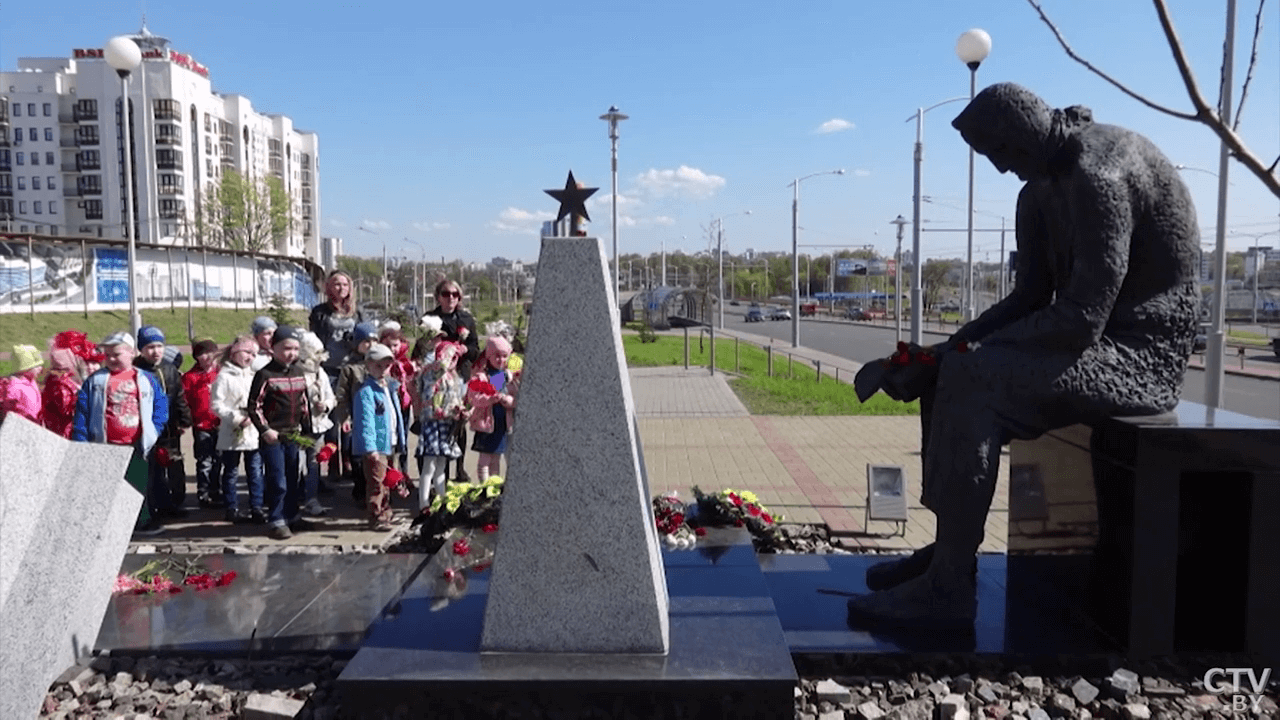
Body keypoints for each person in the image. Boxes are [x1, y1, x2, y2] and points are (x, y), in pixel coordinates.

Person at [845, 83, 1201, 628]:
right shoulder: (1036, 188)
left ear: (1024, 131)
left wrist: (960, 356)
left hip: (1140, 357)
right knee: (951, 371)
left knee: (973, 377)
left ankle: (947, 594)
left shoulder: (1100, 173)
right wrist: (940, 353)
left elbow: (1083, 317)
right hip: (1093, 342)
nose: (999, 168)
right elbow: (1030, 296)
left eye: (1000, 153)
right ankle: (949, 558)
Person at [71, 331, 169, 536]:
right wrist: (81, 438)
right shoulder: (96, 381)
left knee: (137, 485)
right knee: (107, 485)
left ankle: (140, 520)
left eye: (117, 354)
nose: (112, 359)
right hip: (106, 444)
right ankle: (108, 524)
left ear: (132, 353)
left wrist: (155, 429)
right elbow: (83, 410)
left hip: (137, 444)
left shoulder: (146, 379)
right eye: (107, 355)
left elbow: (160, 405)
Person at [248, 326, 316, 540]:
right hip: (274, 436)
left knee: (293, 476)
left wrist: (308, 432)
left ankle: (292, 515)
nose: (291, 353)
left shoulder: (298, 373)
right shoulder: (265, 375)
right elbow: (254, 407)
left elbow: (305, 405)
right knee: (278, 480)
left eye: (296, 349)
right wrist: (265, 430)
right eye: (286, 348)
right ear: (273, 349)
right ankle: (276, 519)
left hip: (293, 435)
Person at [423, 279, 479, 482]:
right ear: (438, 296)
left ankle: (460, 467)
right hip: (437, 379)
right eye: (446, 294)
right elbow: (421, 348)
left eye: (455, 295)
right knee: (439, 421)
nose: (451, 298)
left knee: (459, 422)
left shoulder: (466, 319)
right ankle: (440, 471)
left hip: (460, 376)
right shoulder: (430, 318)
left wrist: (464, 349)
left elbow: (475, 350)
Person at [134, 326, 193, 517]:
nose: (156, 351)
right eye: (150, 347)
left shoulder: (170, 369)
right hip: (148, 428)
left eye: (159, 346)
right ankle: (155, 506)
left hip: (170, 428)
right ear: (141, 349)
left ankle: (175, 503)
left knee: (174, 465)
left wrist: (184, 418)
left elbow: (179, 396)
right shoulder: (137, 371)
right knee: (153, 470)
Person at [211, 335, 265, 524]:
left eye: (254, 354)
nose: (251, 357)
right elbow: (217, 405)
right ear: (235, 352)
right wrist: (237, 418)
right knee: (231, 470)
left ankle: (256, 507)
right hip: (232, 428)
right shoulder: (224, 377)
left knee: (255, 470)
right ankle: (231, 507)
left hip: (253, 429)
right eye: (247, 352)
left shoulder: (255, 376)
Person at [353, 342, 405, 531]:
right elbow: (365, 421)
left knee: (388, 480)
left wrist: (400, 438)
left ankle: (386, 512)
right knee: (377, 481)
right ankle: (375, 515)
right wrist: (370, 447)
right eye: (378, 366)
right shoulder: (366, 392)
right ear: (368, 365)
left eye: (387, 366)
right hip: (376, 445)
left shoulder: (388, 388)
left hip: (389, 441)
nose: (383, 370)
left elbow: (394, 415)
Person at [415, 341, 468, 511]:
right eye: (450, 357)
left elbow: (459, 396)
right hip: (433, 423)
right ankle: (423, 502)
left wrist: (460, 410)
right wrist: (440, 410)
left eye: (456, 358)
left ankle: (442, 498)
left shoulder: (455, 377)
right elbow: (428, 396)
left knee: (441, 465)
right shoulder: (432, 373)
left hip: (447, 424)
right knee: (429, 465)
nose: (453, 361)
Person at [332, 320, 378, 504]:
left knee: (377, 457)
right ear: (357, 344)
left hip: (377, 418)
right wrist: (345, 418)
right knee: (358, 457)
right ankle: (360, 491)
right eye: (366, 341)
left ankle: (376, 491)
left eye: (374, 340)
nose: (371, 345)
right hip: (357, 419)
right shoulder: (350, 369)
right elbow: (341, 395)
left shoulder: (380, 364)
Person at [297, 330, 336, 517]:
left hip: (318, 425)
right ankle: (293, 499)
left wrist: (326, 405)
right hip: (298, 427)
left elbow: (331, 396)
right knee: (297, 463)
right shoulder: (295, 372)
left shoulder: (321, 373)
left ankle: (312, 499)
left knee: (315, 464)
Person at [467, 336, 516, 482]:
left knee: (496, 459)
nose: (500, 360)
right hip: (486, 424)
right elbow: (474, 397)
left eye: (504, 356)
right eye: (497, 356)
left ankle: (493, 487)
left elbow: (515, 397)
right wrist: (491, 399)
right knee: (484, 460)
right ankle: (484, 488)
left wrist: (509, 401)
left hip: (502, 423)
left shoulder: (509, 376)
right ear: (489, 356)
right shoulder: (482, 376)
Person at [183, 338, 223, 509]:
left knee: (219, 460)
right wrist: (187, 419)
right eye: (203, 354)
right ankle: (204, 492)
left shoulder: (221, 374)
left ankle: (216, 489)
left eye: (211, 353)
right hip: (202, 425)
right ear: (196, 357)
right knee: (204, 460)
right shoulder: (190, 377)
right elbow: (184, 401)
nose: (207, 357)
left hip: (221, 424)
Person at [309, 270, 364, 384]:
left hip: (352, 367)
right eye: (337, 284)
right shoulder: (320, 312)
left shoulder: (357, 311)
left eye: (345, 285)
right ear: (329, 287)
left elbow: (365, 337)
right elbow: (313, 339)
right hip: (329, 367)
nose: (341, 288)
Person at [1, 344, 45, 424]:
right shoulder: (14, 386)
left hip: (32, 425)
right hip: (18, 427)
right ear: (26, 367)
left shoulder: (32, 382)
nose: (41, 368)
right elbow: (6, 412)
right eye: (37, 366)